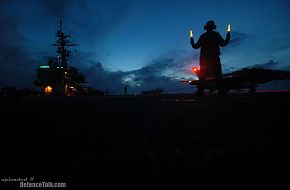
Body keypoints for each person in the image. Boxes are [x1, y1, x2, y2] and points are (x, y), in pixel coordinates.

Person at [190, 20, 230, 95]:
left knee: (202, 76)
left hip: (204, 59)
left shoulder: (203, 36)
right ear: (213, 27)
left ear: (206, 28)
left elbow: (195, 46)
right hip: (214, 58)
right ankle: (221, 92)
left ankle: (200, 92)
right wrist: (228, 36)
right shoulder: (216, 35)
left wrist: (192, 40)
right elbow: (223, 44)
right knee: (218, 75)